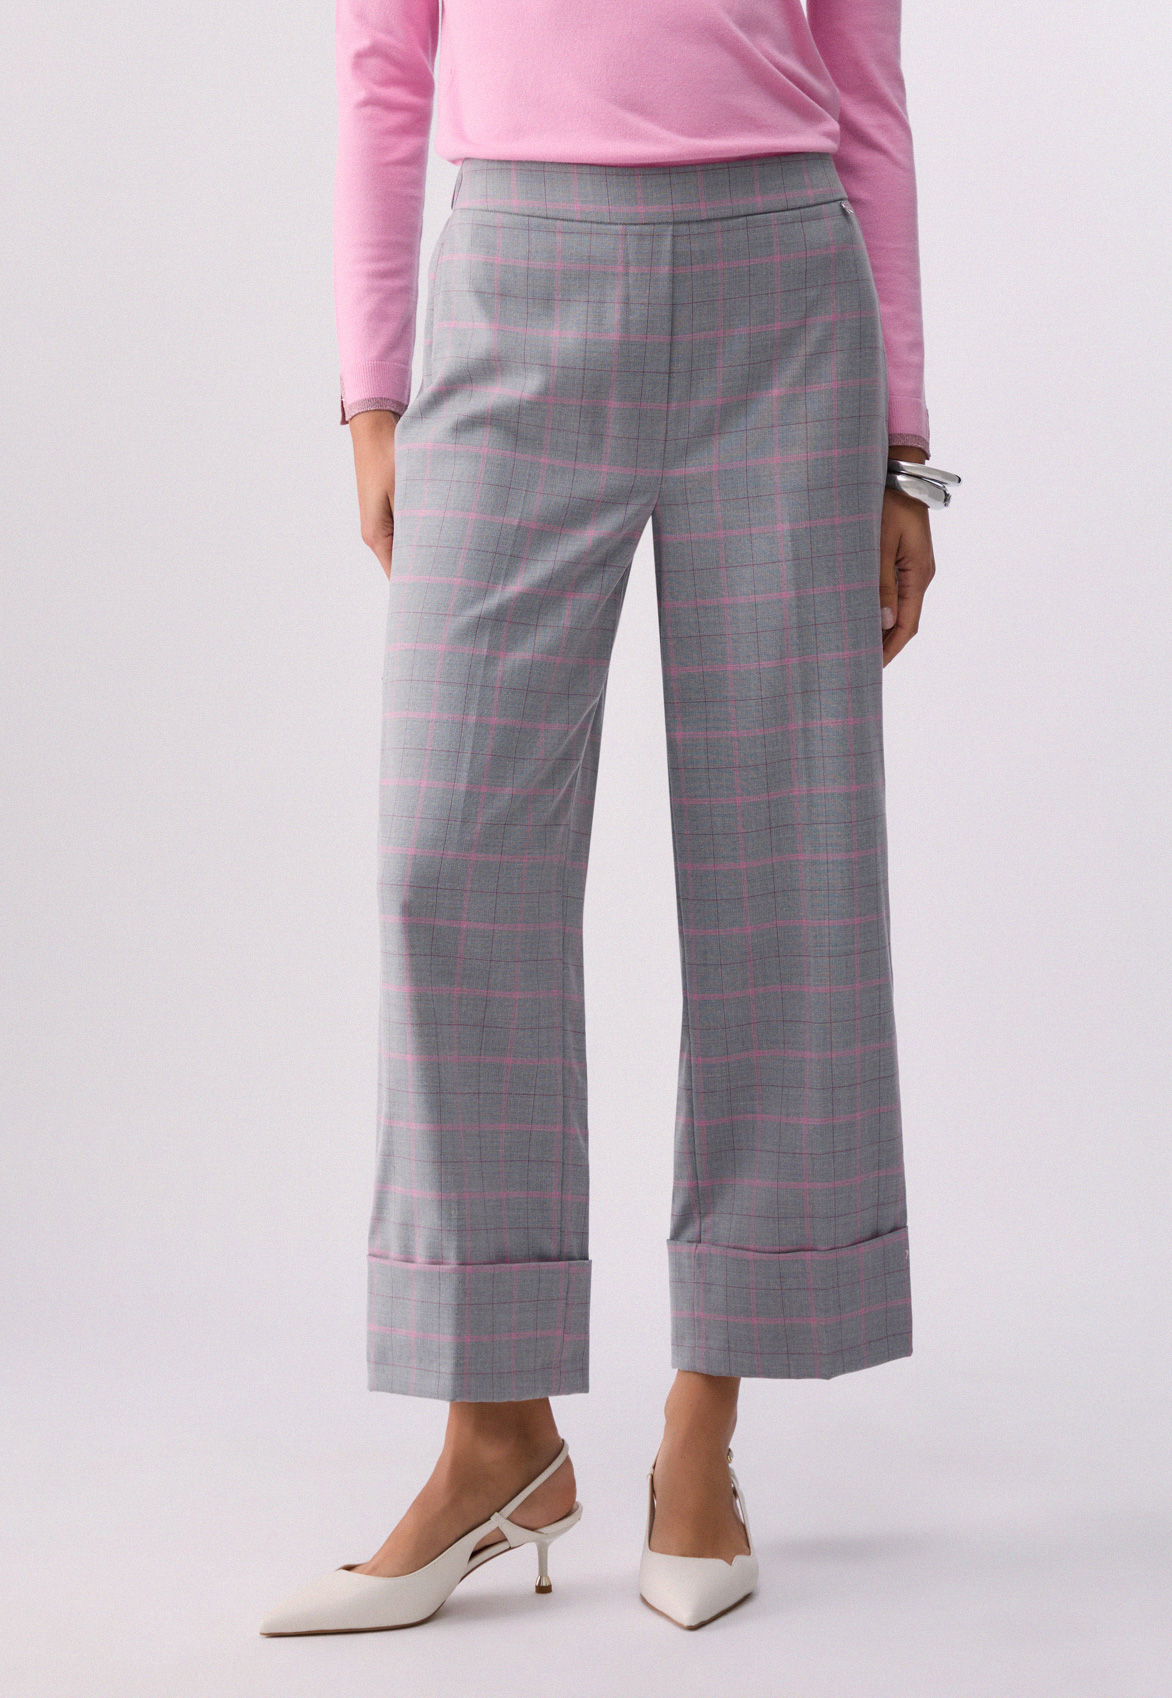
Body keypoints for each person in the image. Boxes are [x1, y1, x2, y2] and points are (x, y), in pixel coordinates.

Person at [261, 0, 953, 1637]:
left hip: (782, 296)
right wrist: (372, 396)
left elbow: (867, 89)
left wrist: (903, 445)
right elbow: (383, 67)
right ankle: (495, 1433)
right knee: (444, 858)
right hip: (511, 280)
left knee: (783, 867)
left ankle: (703, 1427)